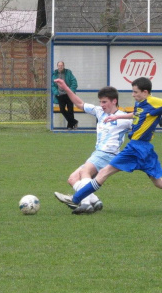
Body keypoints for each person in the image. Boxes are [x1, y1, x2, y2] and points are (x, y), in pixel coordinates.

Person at [54, 77, 162, 215]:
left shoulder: (154, 101)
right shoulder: (141, 103)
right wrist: (119, 116)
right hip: (146, 149)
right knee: (159, 182)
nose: (133, 95)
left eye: (135, 92)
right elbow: (137, 114)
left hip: (135, 147)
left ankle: (76, 199)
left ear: (145, 92)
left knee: (103, 173)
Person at [53, 78, 132, 214]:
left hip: (108, 153)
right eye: (100, 101)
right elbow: (79, 103)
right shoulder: (99, 112)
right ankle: (95, 201)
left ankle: (85, 203)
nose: (101, 105)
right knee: (72, 179)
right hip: (98, 153)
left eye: (104, 102)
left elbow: (141, 124)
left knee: (85, 172)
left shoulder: (124, 118)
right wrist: (65, 88)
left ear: (114, 101)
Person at [52, 61, 79, 129]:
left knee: (70, 110)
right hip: (60, 95)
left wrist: (70, 91)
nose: (60, 67)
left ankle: (70, 126)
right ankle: (74, 122)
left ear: (63, 66)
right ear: (57, 66)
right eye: (59, 65)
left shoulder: (68, 73)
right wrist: (56, 92)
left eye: (61, 65)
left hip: (69, 95)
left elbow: (74, 82)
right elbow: (52, 85)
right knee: (62, 110)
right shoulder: (54, 74)